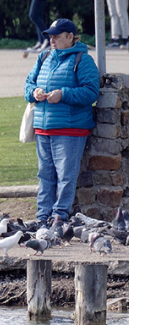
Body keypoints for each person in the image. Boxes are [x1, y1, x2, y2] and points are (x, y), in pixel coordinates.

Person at [23, 18, 99, 225]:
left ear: (70, 36)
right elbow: (28, 85)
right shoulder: (44, 57)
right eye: (50, 35)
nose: (52, 39)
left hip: (71, 129)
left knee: (66, 176)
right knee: (45, 175)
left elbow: (91, 92)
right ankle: (42, 217)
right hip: (43, 128)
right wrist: (34, 92)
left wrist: (63, 94)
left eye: (57, 36)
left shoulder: (83, 60)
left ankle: (59, 216)